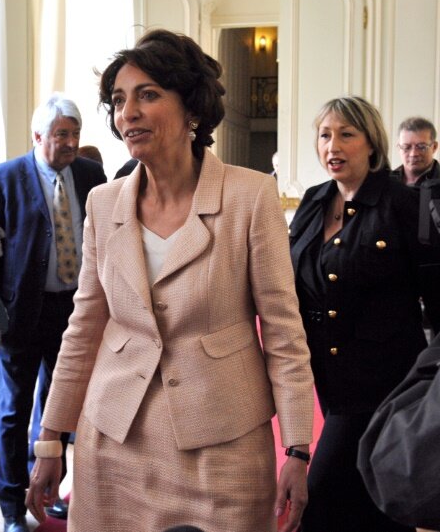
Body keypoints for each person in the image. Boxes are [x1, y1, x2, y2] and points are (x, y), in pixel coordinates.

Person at [26, 29, 314, 532]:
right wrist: (51, 438)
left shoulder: (250, 197)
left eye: (148, 95)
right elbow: (84, 328)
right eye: (118, 100)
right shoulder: (104, 203)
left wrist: (297, 447)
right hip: (115, 440)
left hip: (223, 444)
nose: (127, 113)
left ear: (192, 110)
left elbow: (285, 335)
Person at [288, 96, 440, 532]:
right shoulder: (315, 201)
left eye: (346, 134)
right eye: (324, 135)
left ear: (371, 144)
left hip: (386, 387)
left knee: (320, 506)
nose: (332, 145)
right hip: (329, 384)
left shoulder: (403, 203)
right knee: (371, 505)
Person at [0, 93, 106, 532]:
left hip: (76, 312)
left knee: (63, 410)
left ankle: (51, 495)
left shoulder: (91, 175)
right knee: (14, 413)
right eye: (61, 135)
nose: (70, 143)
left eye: (74, 134)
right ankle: (13, 507)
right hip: (22, 315)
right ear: (38, 136)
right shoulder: (3, 178)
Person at [391, 117, 439, 187]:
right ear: (399, 148)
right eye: (406, 147)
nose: (413, 154)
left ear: (434, 147)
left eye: (421, 147)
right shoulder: (386, 183)